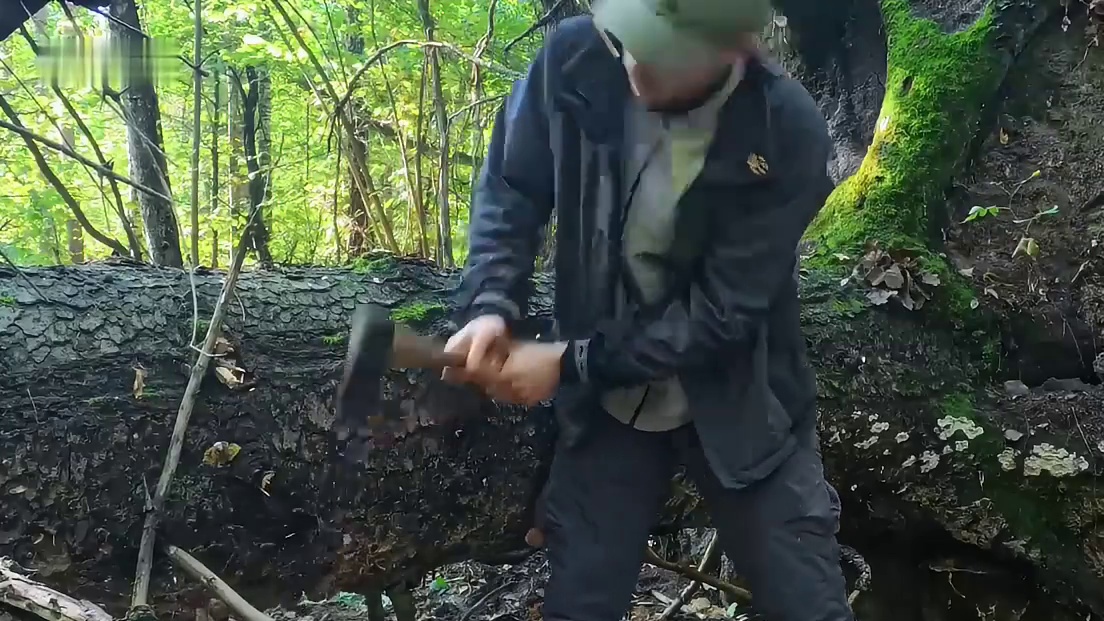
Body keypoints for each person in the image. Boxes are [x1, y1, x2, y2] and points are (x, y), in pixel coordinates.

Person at [442, 0, 854, 619]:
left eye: (663, 55)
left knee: (807, 602)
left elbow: (722, 311)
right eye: (627, 41)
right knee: (581, 603)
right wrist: (490, 305)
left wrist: (569, 363)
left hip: (744, 400)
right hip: (607, 408)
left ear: (733, 48)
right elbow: (512, 187)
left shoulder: (784, 127)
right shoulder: (576, 58)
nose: (635, 68)